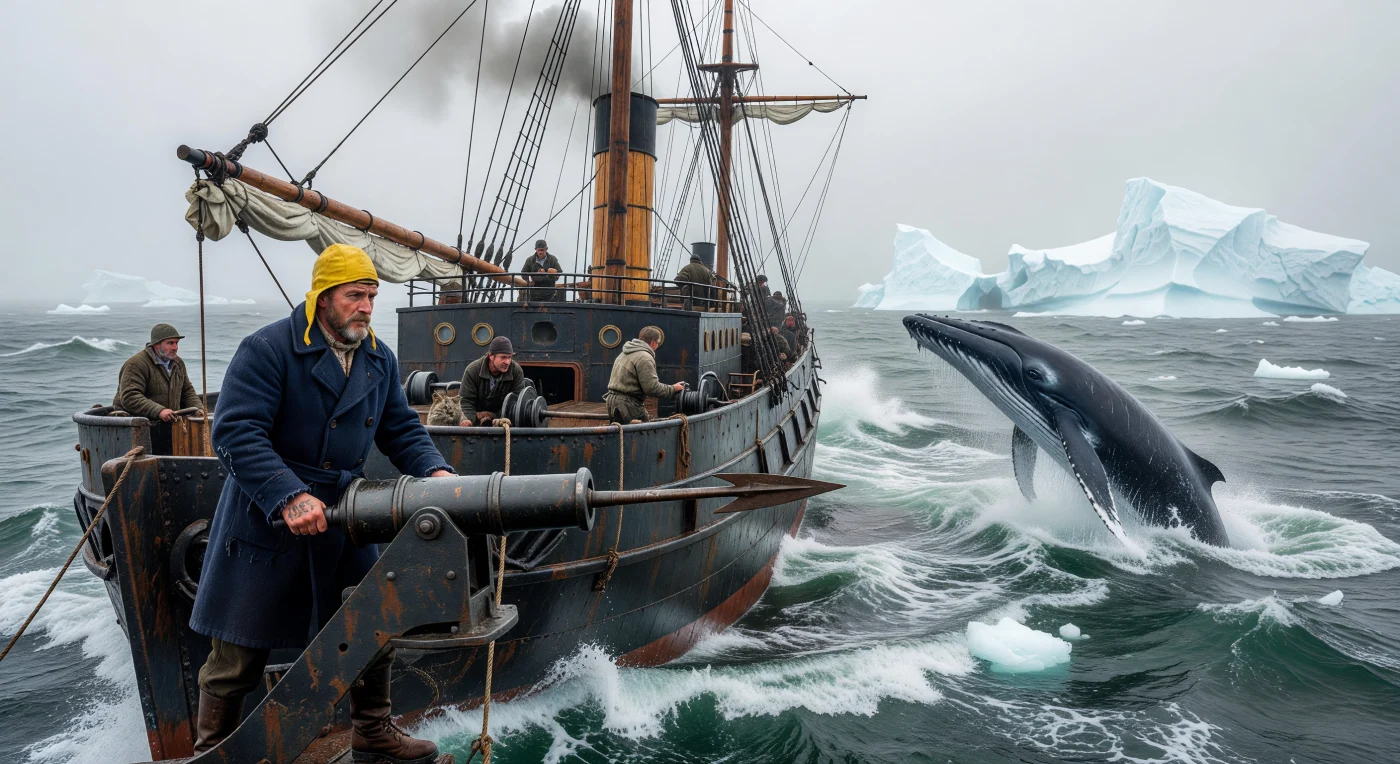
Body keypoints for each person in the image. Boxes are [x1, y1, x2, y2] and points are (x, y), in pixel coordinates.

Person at [188, 244, 454, 761]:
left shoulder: (377, 356)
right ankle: (212, 749)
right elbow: (236, 431)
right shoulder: (268, 349)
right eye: (355, 295)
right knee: (238, 645)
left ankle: (371, 732)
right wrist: (288, 494)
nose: (366, 307)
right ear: (323, 297)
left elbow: (400, 428)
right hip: (267, 515)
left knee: (371, 623)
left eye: (372, 296)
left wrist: (436, 471)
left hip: (345, 515)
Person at [113, 324, 201, 421]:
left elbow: (187, 391)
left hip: (168, 422)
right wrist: (159, 411)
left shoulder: (178, 363)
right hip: (136, 424)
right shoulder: (136, 364)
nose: (175, 347)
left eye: (176, 343)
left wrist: (199, 409)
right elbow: (130, 397)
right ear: (156, 345)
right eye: (170, 343)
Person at [603, 326, 684, 423]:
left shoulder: (624, 353)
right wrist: (673, 389)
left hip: (613, 402)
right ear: (653, 342)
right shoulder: (645, 358)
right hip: (628, 405)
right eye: (657, 343)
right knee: (643, 431)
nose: (657, 347)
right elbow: (652, 388)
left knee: (621, 430)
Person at [454, 336, 526, 426]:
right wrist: (469, 421)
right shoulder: (473, 370)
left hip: (504, 422)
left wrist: (493, 416)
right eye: (503, 357)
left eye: (509, 357)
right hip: (476, 420)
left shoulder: (516, 371)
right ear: (491, 356)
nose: (507, 362)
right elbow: (466, 401)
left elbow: (516, 406)